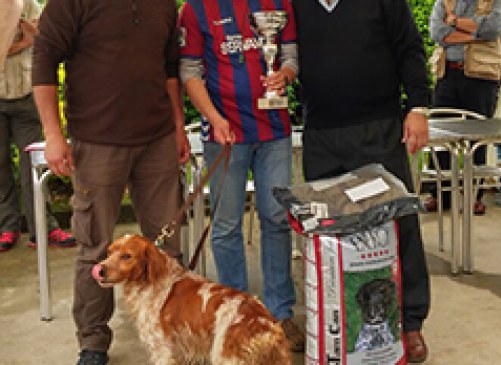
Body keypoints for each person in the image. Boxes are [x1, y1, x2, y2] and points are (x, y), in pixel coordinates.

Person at [31, 0, 191, 362]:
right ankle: (93, 343)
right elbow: (43, 60)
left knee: (167, 250)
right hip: (97, 141)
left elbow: (169, 70)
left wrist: (178, 126)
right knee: (95, 246)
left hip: (157, 139)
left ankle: (174, 332)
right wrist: (53, 134)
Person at [292, 0, 431, 362]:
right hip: (321, 134)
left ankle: (411, 322)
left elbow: (410, 48)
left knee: (400, 223)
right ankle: (334, 323)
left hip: (378, 130)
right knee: (326, 234)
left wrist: (418, 107)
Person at [178, 0, 305, 352]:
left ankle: (280, 314)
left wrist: (286, 75)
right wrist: (214, 118)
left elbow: (292, 55)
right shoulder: (196, 8)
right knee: (226, 226)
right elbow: (189, 71)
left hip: (274, 132)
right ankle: (235, 315)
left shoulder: (280, 4)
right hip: (223, 136)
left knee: (277, 218)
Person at [0, 0, 75, 253]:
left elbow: (42, 40)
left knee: (32, 165)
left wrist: (22, 40)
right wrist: (23, 41)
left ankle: (43, 228)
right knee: (0, 165)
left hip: (25, 93)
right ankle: (7, 227)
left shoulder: (28, 5)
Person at [426, 0, 501, 215]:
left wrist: (455, 22)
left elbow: (494, 28)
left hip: (481, 77)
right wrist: (475, 34)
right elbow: (437, 31)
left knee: (478, 139)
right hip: (447, 74)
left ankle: (475, 196)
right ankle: (439, 194)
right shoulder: (445, 1)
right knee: (440, 137)